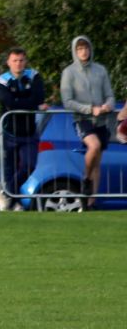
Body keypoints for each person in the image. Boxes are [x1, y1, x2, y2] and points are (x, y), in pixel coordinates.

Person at [59, 35, 115, 209]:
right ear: (75, 51)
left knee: (98, 161)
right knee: (94, 146)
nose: (83, 52)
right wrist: (90, 109)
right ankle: (85, 177)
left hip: (102, 120)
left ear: (90, 49)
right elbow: (67, 101)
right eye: (80, 49)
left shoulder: (100, 70)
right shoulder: (69, 72)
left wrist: (108, 105)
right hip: (82, 118)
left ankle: (91, 201)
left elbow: (110, 95)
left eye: (86, 48)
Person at [0, 47, 47, 212]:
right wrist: (30, 102)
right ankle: (13, 201)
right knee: (9, 168)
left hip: (29, 131)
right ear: (8, 62)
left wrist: (22, 99)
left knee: (29, 165)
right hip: (9, 131)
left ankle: (6, 193)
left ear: (26, 61)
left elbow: (39, 97)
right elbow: (9, 102)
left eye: (21, 60)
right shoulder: (2, 80)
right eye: (15, 61)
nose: (18, 64)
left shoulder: (33, 75)